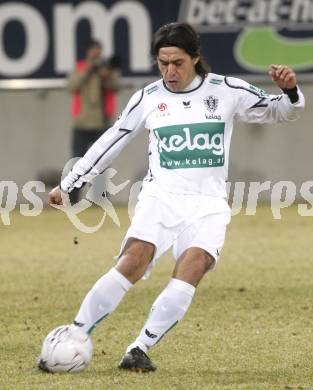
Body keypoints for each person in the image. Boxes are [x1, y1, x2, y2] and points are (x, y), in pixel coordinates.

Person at [45, 22, 305, 372]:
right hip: (161, 196)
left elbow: (280, 111)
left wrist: (289, 92)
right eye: (163, 62)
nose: (169, 71)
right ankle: (74, 335)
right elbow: (112, 140)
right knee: (134, 260)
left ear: (195, 58)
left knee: (193, 267)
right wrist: (71, 182)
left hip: (208, 204)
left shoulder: (226, 90)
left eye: (177, 62)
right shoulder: (149, 97)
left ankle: (139, 348)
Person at [67, 39, 120, 203]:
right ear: (88, 52)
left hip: (102, 123)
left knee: (102, 162)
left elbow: (116, 86)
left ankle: (100, 197)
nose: (97, 54)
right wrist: (89, 69)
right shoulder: (81, 67)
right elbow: (72, 86)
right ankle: (73, 198)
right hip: (82, 123)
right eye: (94, 51)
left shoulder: (107, 69)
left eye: (99, 51)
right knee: (77, 161)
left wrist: (106, 76)